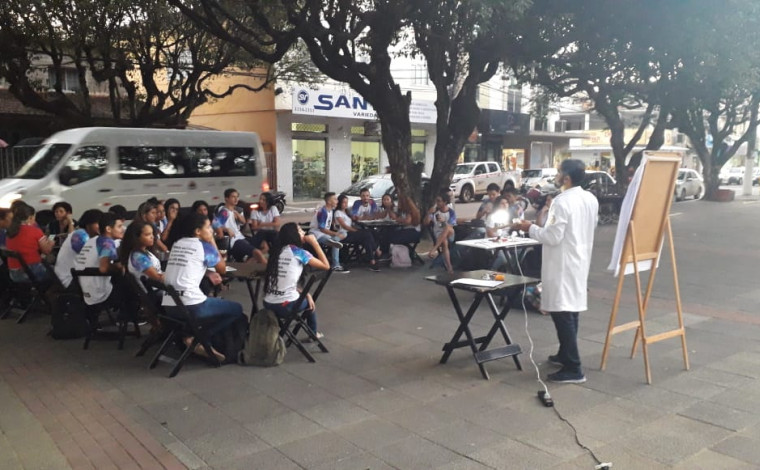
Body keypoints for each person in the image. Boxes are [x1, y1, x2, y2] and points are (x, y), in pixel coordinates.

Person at [513, 159, 598, 384]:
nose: (556, 176)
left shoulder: (562, 201)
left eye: (559, 172)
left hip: (562, 264)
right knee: (571, 310)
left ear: (566, 178)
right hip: (578, 260)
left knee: (562, 313)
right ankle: (565, 353)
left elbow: (552, 236)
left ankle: (574, 366)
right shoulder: (590, 199)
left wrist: (529, 228)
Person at [163, 213, 246, 362]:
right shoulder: (204, 246)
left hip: (169, 303)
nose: (211, 230)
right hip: (191, 305)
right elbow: (222, 268)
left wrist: (207, 272)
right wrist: (212, 241)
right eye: (208, 227)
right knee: (236, 309)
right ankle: (199, 338)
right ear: (197, 231)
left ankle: (192, 337)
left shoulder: (178, 243)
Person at [263, 222, 330, 339]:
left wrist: (304, 293)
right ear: (293, 235)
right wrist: (315, 243)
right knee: (310, 303)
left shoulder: (277, 251)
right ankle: (313, 333)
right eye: (300, 230)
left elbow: (285, 281)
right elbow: (326, 266)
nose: (304, 232)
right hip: (286, 306)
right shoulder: (298, 252)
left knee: (306, 297)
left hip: (268, 303)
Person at [74, 212, 134, 322]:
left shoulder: (92, 241)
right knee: (134, 287)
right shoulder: (107, 242)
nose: (122, 229)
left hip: (85, 291)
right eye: (119, 226)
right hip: (100, 293)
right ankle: (127, 319)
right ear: (108, 229)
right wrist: (119, 267)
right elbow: (103, 268)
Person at [6, 203, 54, 283]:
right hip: (32, 272)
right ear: (30, 217)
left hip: (14, 274)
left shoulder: (10, 232)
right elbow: (46, 251)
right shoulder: (34, 231)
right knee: (58, 270)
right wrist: (51, 243)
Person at [54, 209, 102, 289]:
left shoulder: (79, 233)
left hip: (68, 276)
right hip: (70, 280)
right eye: (98, 223)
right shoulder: (81, 237)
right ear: (88, 224)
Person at [213, 188, 264, 263]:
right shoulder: (225, 212)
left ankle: (245, 265)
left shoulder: (235, 210)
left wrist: (237, 214)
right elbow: (215, 224)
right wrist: (226, 229)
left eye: (237, 197)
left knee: (263, 245)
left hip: (240, 237)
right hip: (234, 241)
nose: (236, 199)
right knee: (257, 253)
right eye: (233, 197)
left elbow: (243, 221)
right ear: (226, 199)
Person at [333, 194, 380, 272]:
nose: (345, 204)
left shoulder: (347, 212)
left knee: (370, 234)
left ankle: (372, 260)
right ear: (339, 203)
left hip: (350, 232)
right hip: (344, 234)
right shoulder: (338, 213)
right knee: (366, 234)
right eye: (344, 202)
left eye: (346, 202)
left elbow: (353, 221)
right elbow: (345, 226)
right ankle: (376, 252)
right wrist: (356, 231)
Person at [425, 192, 457, 273]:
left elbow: (451, 226)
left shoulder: (451, 212)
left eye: (439, 201)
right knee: (444, 242)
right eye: (436, 201)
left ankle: (434, 249)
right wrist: (429, 213)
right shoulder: (435, 212)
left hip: (450, 234)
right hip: (439, 235)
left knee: (447, 228)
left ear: (445, 202)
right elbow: (426, 223)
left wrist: (443, 222)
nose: (437, 203)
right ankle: (449, 267)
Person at [249, 192, 280, 256]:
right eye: (260, 199)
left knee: (276, 237)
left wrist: (262, 224)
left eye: (263, 200)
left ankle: (276, 254)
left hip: (272, 232)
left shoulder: (273, 208)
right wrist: (271, 223)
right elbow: (254, 227)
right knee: (261, 236)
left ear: (268, 201)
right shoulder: (255, 211)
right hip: (261, 233)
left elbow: (277, 223)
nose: (261, 201)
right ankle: (251, 256)